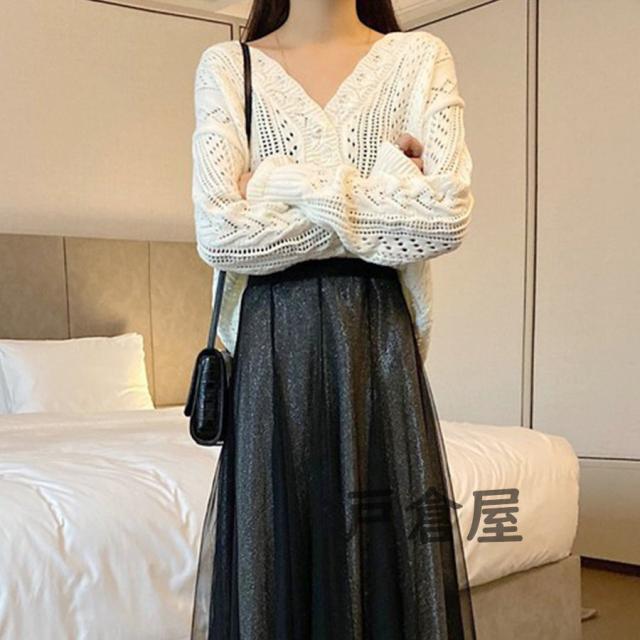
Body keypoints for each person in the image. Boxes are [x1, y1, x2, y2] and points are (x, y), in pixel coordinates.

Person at [189, 1, 476, 638]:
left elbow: (444, 218)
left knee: (382, 557)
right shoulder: (229, 66)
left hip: (377, 345)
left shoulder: (418, 60)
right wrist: (388, 185)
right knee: (279, 565)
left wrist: (272, 184)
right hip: (272, 355)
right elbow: (221, 234)